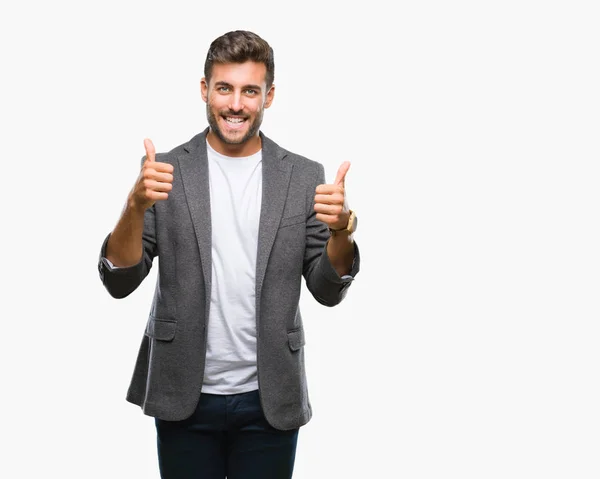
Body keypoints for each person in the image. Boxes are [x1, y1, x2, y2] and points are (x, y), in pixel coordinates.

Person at [97, 30, 360, 479]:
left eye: (249, 91)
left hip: (270, 396)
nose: (236, 104)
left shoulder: (302, 176)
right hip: (184, 391)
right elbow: (120, 281)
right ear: (205, 90)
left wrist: (341, 231)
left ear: (268, 96)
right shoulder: (166, 170)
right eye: (224, 88)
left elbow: (326, 290)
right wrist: (134, 206)